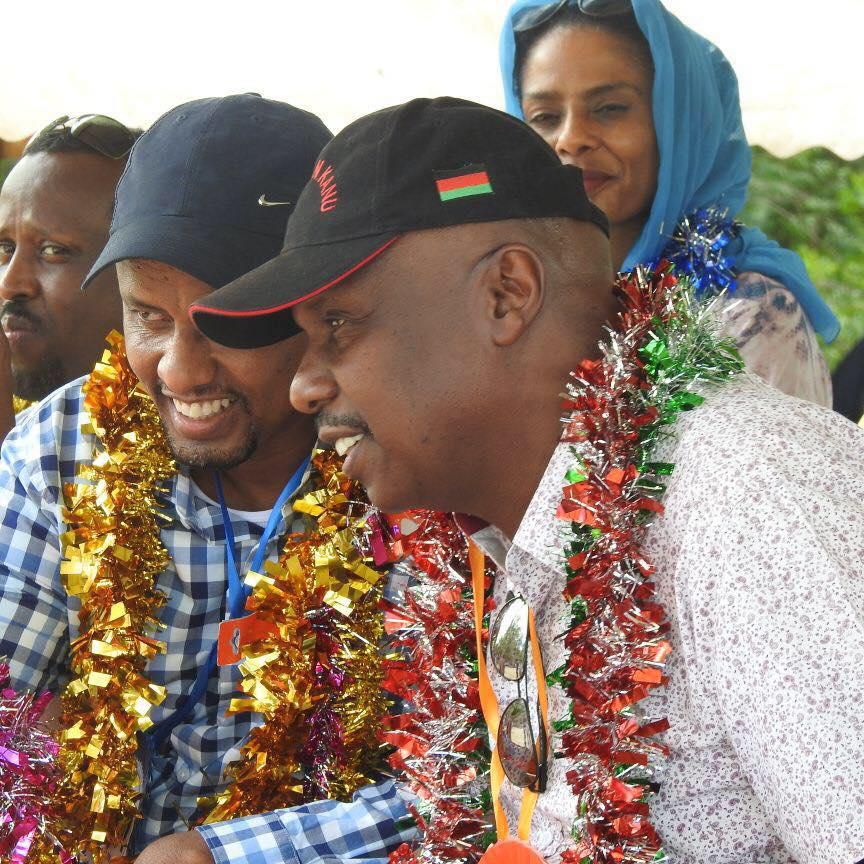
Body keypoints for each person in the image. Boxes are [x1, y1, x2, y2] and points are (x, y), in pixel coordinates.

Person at [194, 97, 864, 864]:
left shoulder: (749, 496)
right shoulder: (495, 528)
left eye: (339, 326)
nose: (303, 387)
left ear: (506, 293)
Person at [0, 94, 414, 864]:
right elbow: (6, 696)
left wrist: (225, 855)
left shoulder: (406, 465)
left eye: (228, 321)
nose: (181, 371)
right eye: (147, 318)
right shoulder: (60, 447)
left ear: (319, 307)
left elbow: (453, 776)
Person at [498, 0, 837, 407]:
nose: (571, 138)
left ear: (681, 126)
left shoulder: (748, 315)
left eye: (609, 109)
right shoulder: (510, 297)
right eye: (545, 116)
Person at [0, 114, 140, 435]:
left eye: (53, 250)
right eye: (5, 248)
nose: (10, 284)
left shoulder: (200, 440)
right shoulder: (23, 426)